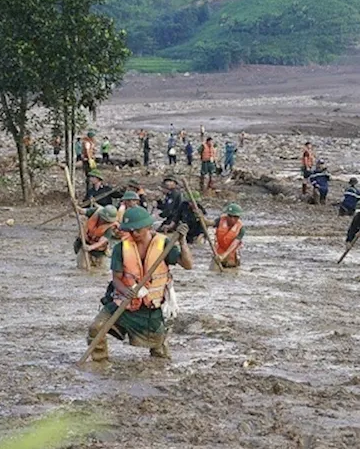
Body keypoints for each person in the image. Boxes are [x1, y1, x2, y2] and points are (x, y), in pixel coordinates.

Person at [87, 208, 193, 364]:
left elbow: (188, 265)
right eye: (130, 230)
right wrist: (125, 290)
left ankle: (159, 371)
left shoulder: (164, 245)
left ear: (148, 227)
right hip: (124, 302)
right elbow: (116, 279)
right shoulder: (121, 248)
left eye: (137, 230)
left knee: (159, 349)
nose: (134, 233)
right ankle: (100, 363)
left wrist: (182, 242)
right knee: (96, 328)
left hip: (150, 308)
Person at [213, 203, 244, 268]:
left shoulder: (241, 229)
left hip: (231, 255)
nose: (232, 219)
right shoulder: (220, 220)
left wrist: (224, 256)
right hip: (218, 253)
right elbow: (209, 223)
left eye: (235, 217)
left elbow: (234, 244)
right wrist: (201, 217)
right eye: (230, 216)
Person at [79, 130, 99, 196]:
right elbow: (87, 151)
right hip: (87, 160)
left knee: (92, 174)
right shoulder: (87, 142)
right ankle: (89, 191)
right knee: (90, 174)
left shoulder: (89, 142)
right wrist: (90, 159)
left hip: (89, 160)